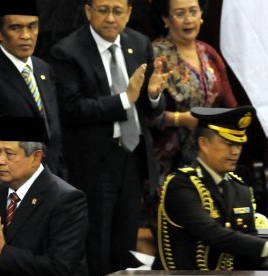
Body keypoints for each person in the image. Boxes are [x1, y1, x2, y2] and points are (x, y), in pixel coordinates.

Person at [49, 0, 171, 273]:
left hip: (132, 159)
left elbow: (150, 107)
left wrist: (153, 95)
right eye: (103, 10)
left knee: (125, 242)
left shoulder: (139, 44)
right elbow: (72, 109)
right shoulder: (67, 52)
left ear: (128, 13)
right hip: (93, 164)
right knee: (97, 244)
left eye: (118, 11)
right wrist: (124, 99)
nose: (110, 18)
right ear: (88, 11)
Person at [0, 0, 66, 211]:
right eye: (16, 28)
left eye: (32, 26)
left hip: (50, 191)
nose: (26, 35)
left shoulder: (43, 69)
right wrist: (8, 203)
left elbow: (52, 135)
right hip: (13, 200)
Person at [0, 116, 89, 276]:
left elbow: (61, 268)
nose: (0, 161)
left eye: (9, 154)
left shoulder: (67, 200)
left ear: (35, 158)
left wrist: (2, 251)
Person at [153, 105, 268, 270]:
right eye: (228, 144)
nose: (236, 151)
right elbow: (212, 233)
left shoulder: (240, 188)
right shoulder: (181, 185)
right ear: (204, 144)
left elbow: (248, 248)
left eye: (239, 145)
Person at [149, 0, 237, 181]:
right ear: (166, 19)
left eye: (193, 12)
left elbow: (231, 106)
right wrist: (180, 119)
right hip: (168, 164)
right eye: (180, 14)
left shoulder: (209, 53)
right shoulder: (154, 55)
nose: (189, 20)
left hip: (209, 159)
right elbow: (142, 114)